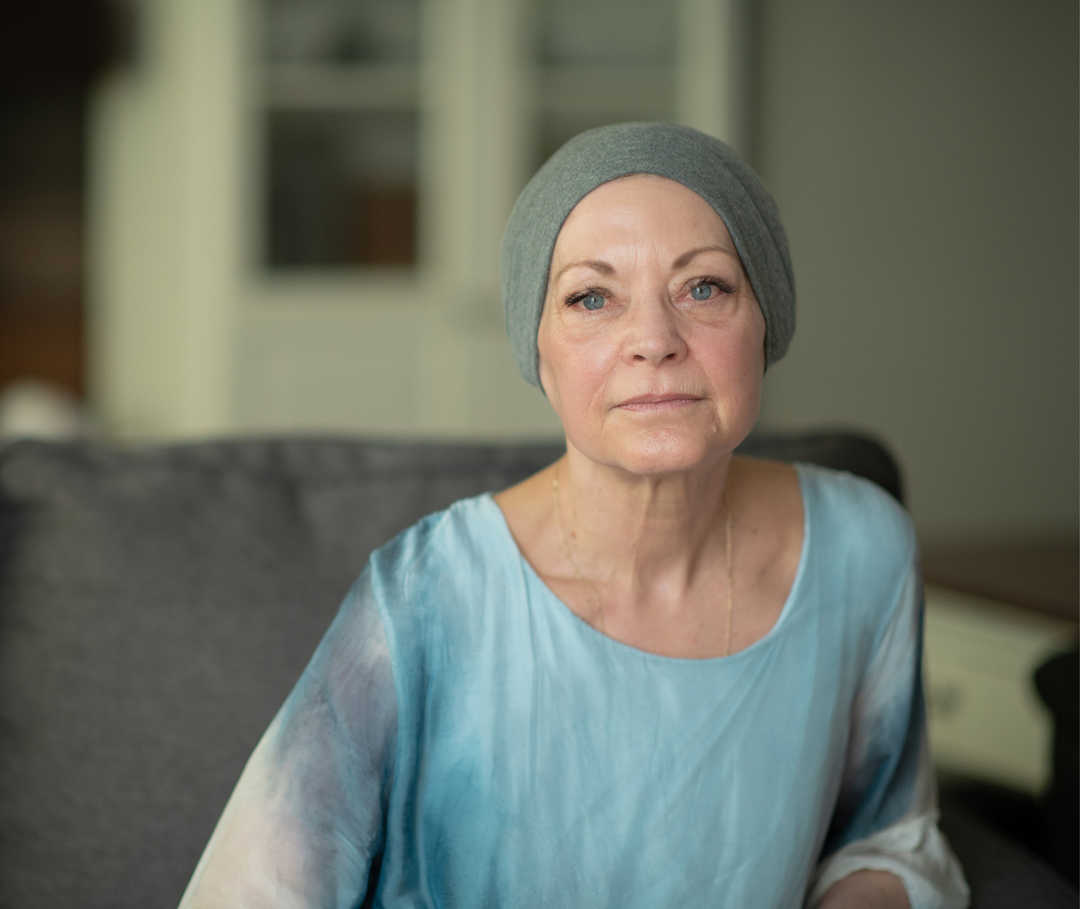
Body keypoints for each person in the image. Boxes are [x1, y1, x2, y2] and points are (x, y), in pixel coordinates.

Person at [178, 122, 969, 908]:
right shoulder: (427, 595)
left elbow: (884, 837)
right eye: (592, 297)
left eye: (705, 287)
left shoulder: (863, 550)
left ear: (768, 323)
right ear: (540, 351)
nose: (653, 340)